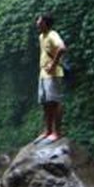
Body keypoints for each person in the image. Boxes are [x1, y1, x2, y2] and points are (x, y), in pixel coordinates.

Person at [36, 12, 67, 141]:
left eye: (39, 21)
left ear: (45, 23)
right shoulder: (41, 37)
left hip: (53, 74)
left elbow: (62, 48)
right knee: (45, 103)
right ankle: (48, 130)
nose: (37, 23)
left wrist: (53, 65)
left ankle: (57, 132)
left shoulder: (53, 34)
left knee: (55, 102)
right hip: (43, 75)